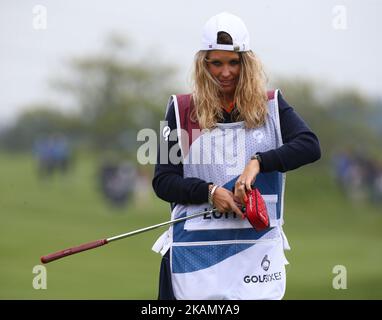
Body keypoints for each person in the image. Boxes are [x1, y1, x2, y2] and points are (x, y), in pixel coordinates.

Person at [152, 12, 321, 300]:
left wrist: (258, 162)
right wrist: (210, 192)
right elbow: (163, 181)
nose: (225, 72)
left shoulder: (271, 106)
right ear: (203, 64)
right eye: (216, 63)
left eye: (234, 62)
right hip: (193, 256)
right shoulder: (180, 110)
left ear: (247, 63)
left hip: (254, 255)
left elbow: (309, 146)